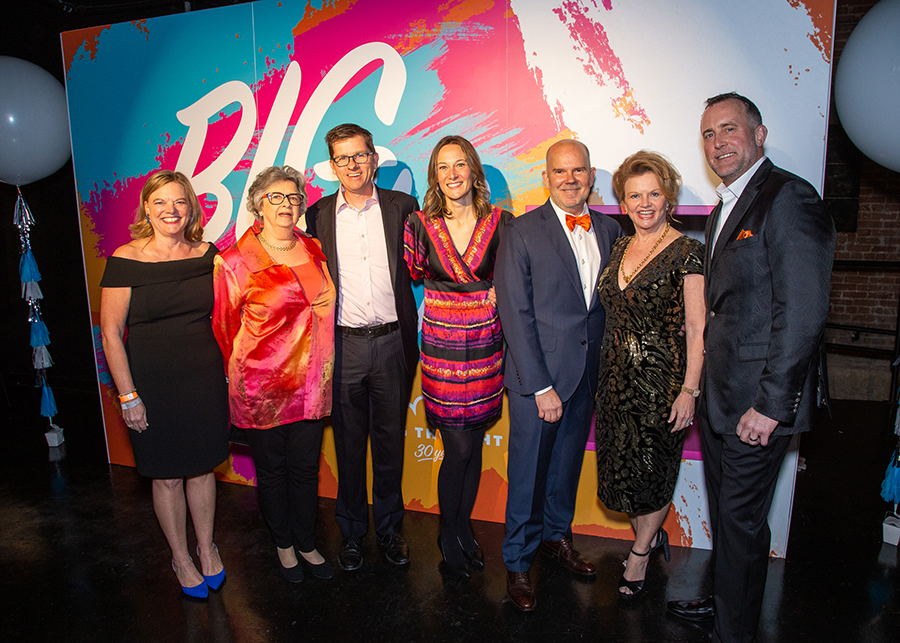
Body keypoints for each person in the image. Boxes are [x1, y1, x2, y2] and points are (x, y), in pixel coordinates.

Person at [666, 93, 835, 643]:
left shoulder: (788, 197)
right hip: (723, 399)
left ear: (759, 135)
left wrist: (771, 405)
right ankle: (726, 607)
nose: (718, 142)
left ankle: (732, 632)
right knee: (732, 522)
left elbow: (803, 311)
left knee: (738, 522)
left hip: (757, 405)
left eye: (729, 129)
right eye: (708, 134)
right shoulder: (726, 207)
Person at [494, 139, 624, 611]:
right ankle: (517, 561)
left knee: (566, 468)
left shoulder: (610, 229)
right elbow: (515, 313)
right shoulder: (521, 231)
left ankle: (556, 538)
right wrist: (541, 385)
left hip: (586, 376)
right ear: (546, 177)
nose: (570, 179)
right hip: (539, 381)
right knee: (528, 474)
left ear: (591, 176)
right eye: (560, 171)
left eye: (578, 170)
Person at [100, 170, 229, 598]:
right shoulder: (126, 259)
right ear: (146, 209)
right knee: (168, 476)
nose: (170, 210)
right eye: (160, 202)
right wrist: (128, 396)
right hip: (152, 384)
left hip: (204, 379)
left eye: (179, 202)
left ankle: (206, 547)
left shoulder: (208, 254)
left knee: (202, 468)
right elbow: (110, 334)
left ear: (191, 208)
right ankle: (181, 556)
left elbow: (229, 314)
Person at [213, 166, 336, 583]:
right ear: (258, 204)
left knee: (305, 469)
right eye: (276, 197)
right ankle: (284, 545)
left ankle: (307, 542)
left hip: (313, 384)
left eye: (294, 197)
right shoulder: (234, 261)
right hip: (263, 387)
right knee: (273, 471)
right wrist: (249, 372)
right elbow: (224, 328)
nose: (287, 204)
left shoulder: (314, 248)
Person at [305, 124, 420, 570]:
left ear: (374, 159)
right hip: (343, 346)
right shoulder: (316, 214)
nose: (352, 165)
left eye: (359, 155)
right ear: (332, 166)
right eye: (343, 158)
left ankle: (390, 530)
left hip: (392, 342)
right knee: (348, 446)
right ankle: (351, 532)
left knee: (390, 445)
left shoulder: (403, 207)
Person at [595, 151, 706, 599]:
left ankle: (640, 553)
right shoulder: (619, 247)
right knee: (623, 475)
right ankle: (650, 535)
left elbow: (697, 328)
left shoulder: (688, 252)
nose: (644, 204)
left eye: (653, 194)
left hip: (661, 384)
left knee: (653, 473)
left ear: (668, 199)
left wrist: (689, 390)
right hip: (613, 381)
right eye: (635, 195)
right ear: (623, 203)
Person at [403, 135, 512, 578]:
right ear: (435, 175)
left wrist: (497, 292)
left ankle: (463, 529)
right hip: (442, 347)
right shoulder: (419, 224)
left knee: (475, 444)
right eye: (443, 166)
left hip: (486, 345)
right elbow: (414, 272)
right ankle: (448, 534)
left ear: (473, 170)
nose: (452, 174)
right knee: (457, 445)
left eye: (460, 164)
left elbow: (511, 276)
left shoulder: (502, 222)